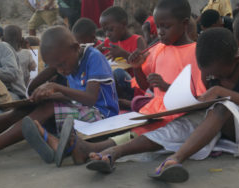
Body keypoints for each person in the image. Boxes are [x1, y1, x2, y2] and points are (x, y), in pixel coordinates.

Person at [24, 0, 206, 168]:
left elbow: (197, 96)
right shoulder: (158, 49)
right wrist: (137, 68)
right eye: (158, 27)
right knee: (133, 129)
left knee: (141, 132)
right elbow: (143, 87)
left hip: (176, 113)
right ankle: (83, 148)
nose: (160, 32)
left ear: (184, 24)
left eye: (166, 27)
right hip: (154, 110)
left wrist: (167, 86)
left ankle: (87, 149)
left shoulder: (196, 52)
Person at [85, 27, 239, 182]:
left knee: (223, 107)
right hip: (213, 118)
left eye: (219, 75)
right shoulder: (209, 64)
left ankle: (175, 159)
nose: (215, 78)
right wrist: (191, 102)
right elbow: (208, 97)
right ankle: (115, 152)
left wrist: (221, 91)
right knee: (176, 127)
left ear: (236, 60)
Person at [0, 26, 119, 159]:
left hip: (102, 115)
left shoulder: (94, 58)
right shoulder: (66, 59)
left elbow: (90, 99)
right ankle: (46, 136)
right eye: (56, 67)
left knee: (49, 107)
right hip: (80, 109)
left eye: (61, 65)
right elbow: (39, 81)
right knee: (27, 108)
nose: (60, 70)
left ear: (75, 47)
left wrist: (57, 87)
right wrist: (38, 89)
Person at [98, 6, 147, 108]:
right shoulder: (108, 42)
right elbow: (95, 52)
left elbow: (144, 65)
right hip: (117, 85)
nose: (108, 34)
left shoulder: (138, 40)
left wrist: (124, 54)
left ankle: (128, 102)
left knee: (118, 72)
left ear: (124, 24)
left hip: (136, 86)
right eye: (105, 31)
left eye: (111, 29)